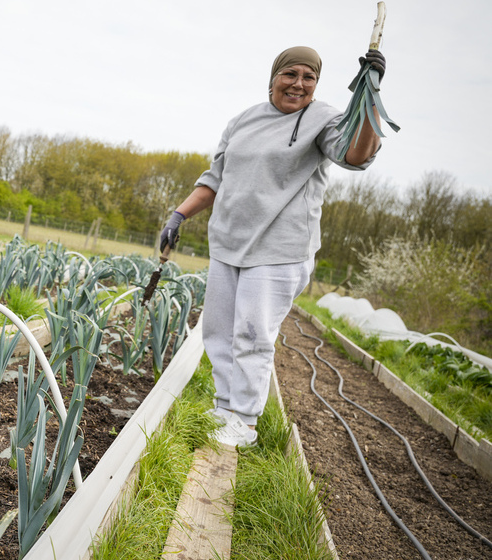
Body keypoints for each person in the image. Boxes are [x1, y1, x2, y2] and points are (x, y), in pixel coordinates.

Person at [158, 46, 386, 448]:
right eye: (290, 74)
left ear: (316, 84)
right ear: (273, 77)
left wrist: (369, 97)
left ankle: (244, 422)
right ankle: (224, 407)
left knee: (251, 333)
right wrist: (179, 215)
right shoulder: (243, 121)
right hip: (229, 242)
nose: (298, 83)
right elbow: (214, 178)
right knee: (219, 331)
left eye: (309, 77)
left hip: (279, 248)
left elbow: (356, 154)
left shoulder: (324, 120)